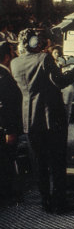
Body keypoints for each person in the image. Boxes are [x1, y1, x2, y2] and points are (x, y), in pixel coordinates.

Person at [11, 29, 74, 213]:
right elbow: (60, 81)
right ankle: (60, 203)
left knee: (39, 164)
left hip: (29, 120)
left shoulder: (14, 63)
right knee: (57, 162)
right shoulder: (44, 59)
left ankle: (46, 202)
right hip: (51, 118)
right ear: (35, 42)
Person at [0, 41, 23, 204]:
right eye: (13, 53)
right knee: (6, 162)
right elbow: (6, 106)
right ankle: (7, 195)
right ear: (7, 57)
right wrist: (10, 131)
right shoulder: (4, 78)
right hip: (5, 129)